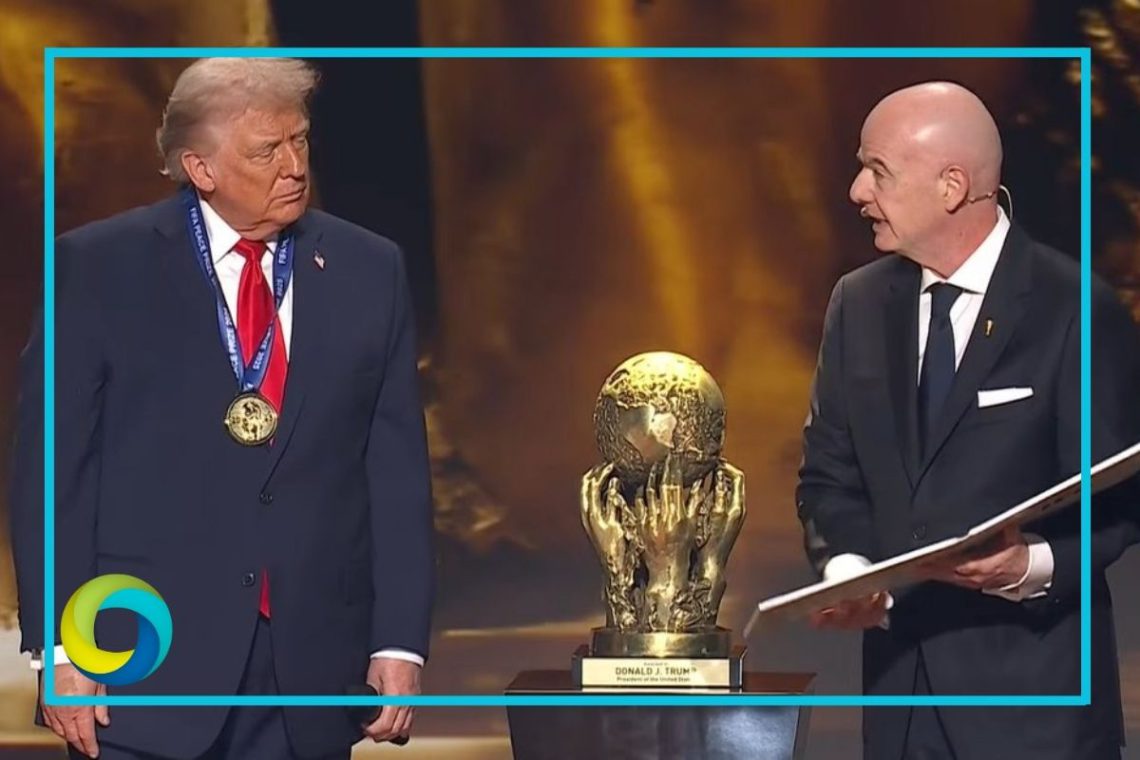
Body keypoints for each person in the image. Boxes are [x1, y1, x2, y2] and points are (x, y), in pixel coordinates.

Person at [8, 57, 435, 759]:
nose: (293, 166)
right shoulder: (97, 269)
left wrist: (399, 643)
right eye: (267, 151)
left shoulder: (370, 269)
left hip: (310, 672)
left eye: (300, 140)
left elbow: (395, 476)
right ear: (199, 168)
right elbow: (55, 474)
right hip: (140, 665)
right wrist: (58, 649)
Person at [796, 81, 1140, 759]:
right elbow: (828, 476)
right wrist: (850, 568)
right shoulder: (856, 305)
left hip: (1033, 714)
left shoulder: (1075, 307)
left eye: (877, 171)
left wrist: (1028, 565)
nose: (857, 191)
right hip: (898, 706)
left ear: (951, 186)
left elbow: (1121, 494)